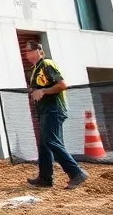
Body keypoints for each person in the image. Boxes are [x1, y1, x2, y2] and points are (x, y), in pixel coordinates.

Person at [22, 40, 87, 190]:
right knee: (45, 144)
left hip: (54, 109)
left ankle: (76, 173)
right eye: (25, 51)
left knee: (52, 141)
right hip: (46, 110)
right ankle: (45, 178)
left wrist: (43, 91)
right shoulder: (36, 69)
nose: (26, 53)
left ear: (38, 50)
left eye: (29, 50)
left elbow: (62, 84)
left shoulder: (47, 64)